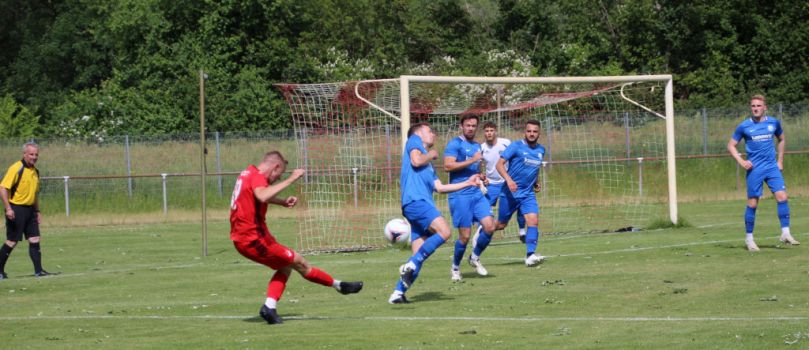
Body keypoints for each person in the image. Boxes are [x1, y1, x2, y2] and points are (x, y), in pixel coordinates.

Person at [230, 151, 363, 324]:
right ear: (275, 167)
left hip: (248, 237)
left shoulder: (247, 173)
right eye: (280, 174)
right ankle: (339, 286)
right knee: (299, 262)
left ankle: (270, 307)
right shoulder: (258, 177)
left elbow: (256, 197)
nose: (278, 178)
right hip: (253, 239)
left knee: (286, 266)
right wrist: (291, 179)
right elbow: (262, 195)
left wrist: (282, 201)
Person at [389, 123, 480, 304]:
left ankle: (397, 294)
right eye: (430, 131)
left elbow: (440, 187)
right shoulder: (414, 141)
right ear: (418, 134)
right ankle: (410, 265)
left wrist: (467, 183)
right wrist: (432, 154)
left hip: (416, 207)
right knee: (445, 232)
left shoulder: (429, 166)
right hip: (417, 203)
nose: (433, 134)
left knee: (418, 256)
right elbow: (416, 160)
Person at [727, 94, 799, 251]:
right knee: (752, 203)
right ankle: (749, 239)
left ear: (764, 107)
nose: (755, 108)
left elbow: (782, 139)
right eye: (753, 106)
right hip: (755, 169)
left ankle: (785, 233)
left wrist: (780, 161)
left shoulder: (773, 123)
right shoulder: (744, 126)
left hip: (772, 167)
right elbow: (731, 145)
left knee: (782, 196)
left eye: (758, 106)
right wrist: (741, 161)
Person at [473, 120, 546, 266]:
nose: (531, 134)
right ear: (525, 132)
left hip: (527, 194)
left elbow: (535, 168)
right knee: (499, 225)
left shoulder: (541, 150)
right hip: (509, 193)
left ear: (539, 133)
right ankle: (476, 251)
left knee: (533, 221)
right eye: (529, 131)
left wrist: (536, 181)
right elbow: (499, 165)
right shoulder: (516, 146)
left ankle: (530, 255)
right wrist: (509, 180)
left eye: (535, 131)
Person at [443, 115, 496, 281]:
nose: (471, 128)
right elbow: (447, 166)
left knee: (490, 226)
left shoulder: (476, 146)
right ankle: (456, 267)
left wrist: (482, 177)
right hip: (460, 194)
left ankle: (474, 256)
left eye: (474, 126)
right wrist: (471, 160)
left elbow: (476, 168)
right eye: (468, 125)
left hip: (476, 193)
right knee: (465, 236)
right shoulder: (454, 144)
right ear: (461, 126)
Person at [0, 142, 52, 279]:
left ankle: (38, 271)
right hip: (16, 209)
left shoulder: (35, 172)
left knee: (35, 239)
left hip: (30, 211)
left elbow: (34, 194)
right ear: (24, 154)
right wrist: (8, 209)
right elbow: (3, 188)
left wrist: (37, 211)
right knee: (12, 241)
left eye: (36, 154)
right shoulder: (16, 168)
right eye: (31, 154)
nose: (34, 157)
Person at [475, 121, 527, 243]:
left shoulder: (506, 143)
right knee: (484, 211)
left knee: (520, 202)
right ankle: (480, 236)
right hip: (491, 184)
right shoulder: (481, 148)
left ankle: (522, 231)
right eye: (487, 131)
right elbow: (478, 166)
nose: (489, 133)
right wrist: (482, 177)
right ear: (484, 133)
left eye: (491, 130)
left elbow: (514, 158)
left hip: (507, 182)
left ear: (496, 131)